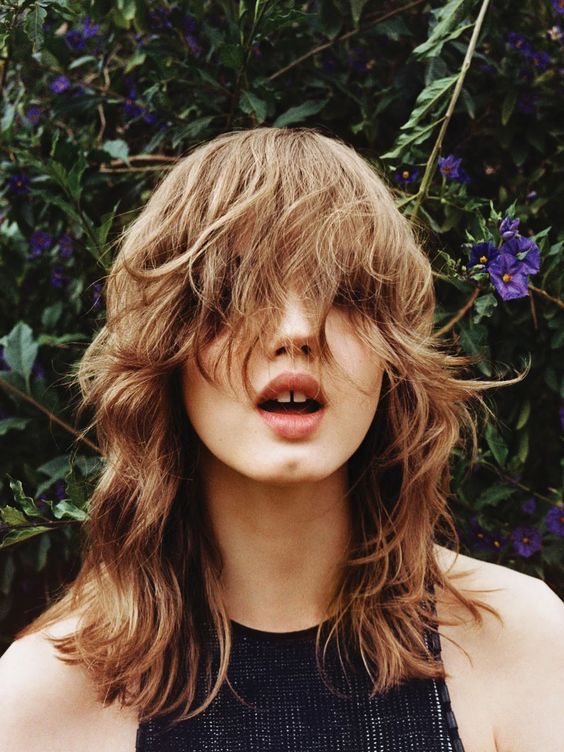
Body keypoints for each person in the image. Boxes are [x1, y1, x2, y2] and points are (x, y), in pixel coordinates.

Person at [0, 127, 562, 752]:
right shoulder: (42, 707)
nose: (297, 330)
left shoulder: (524, 648)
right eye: (238, 289)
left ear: (394, 356)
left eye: (346, 295)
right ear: (166, 346)